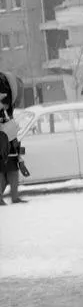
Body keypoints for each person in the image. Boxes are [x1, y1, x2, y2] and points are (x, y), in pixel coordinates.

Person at [0, 66, 28, 205]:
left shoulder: (8, 111)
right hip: (4, 145)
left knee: (13, 171)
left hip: (9, 145)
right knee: (2, 172)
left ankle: (15, 197)